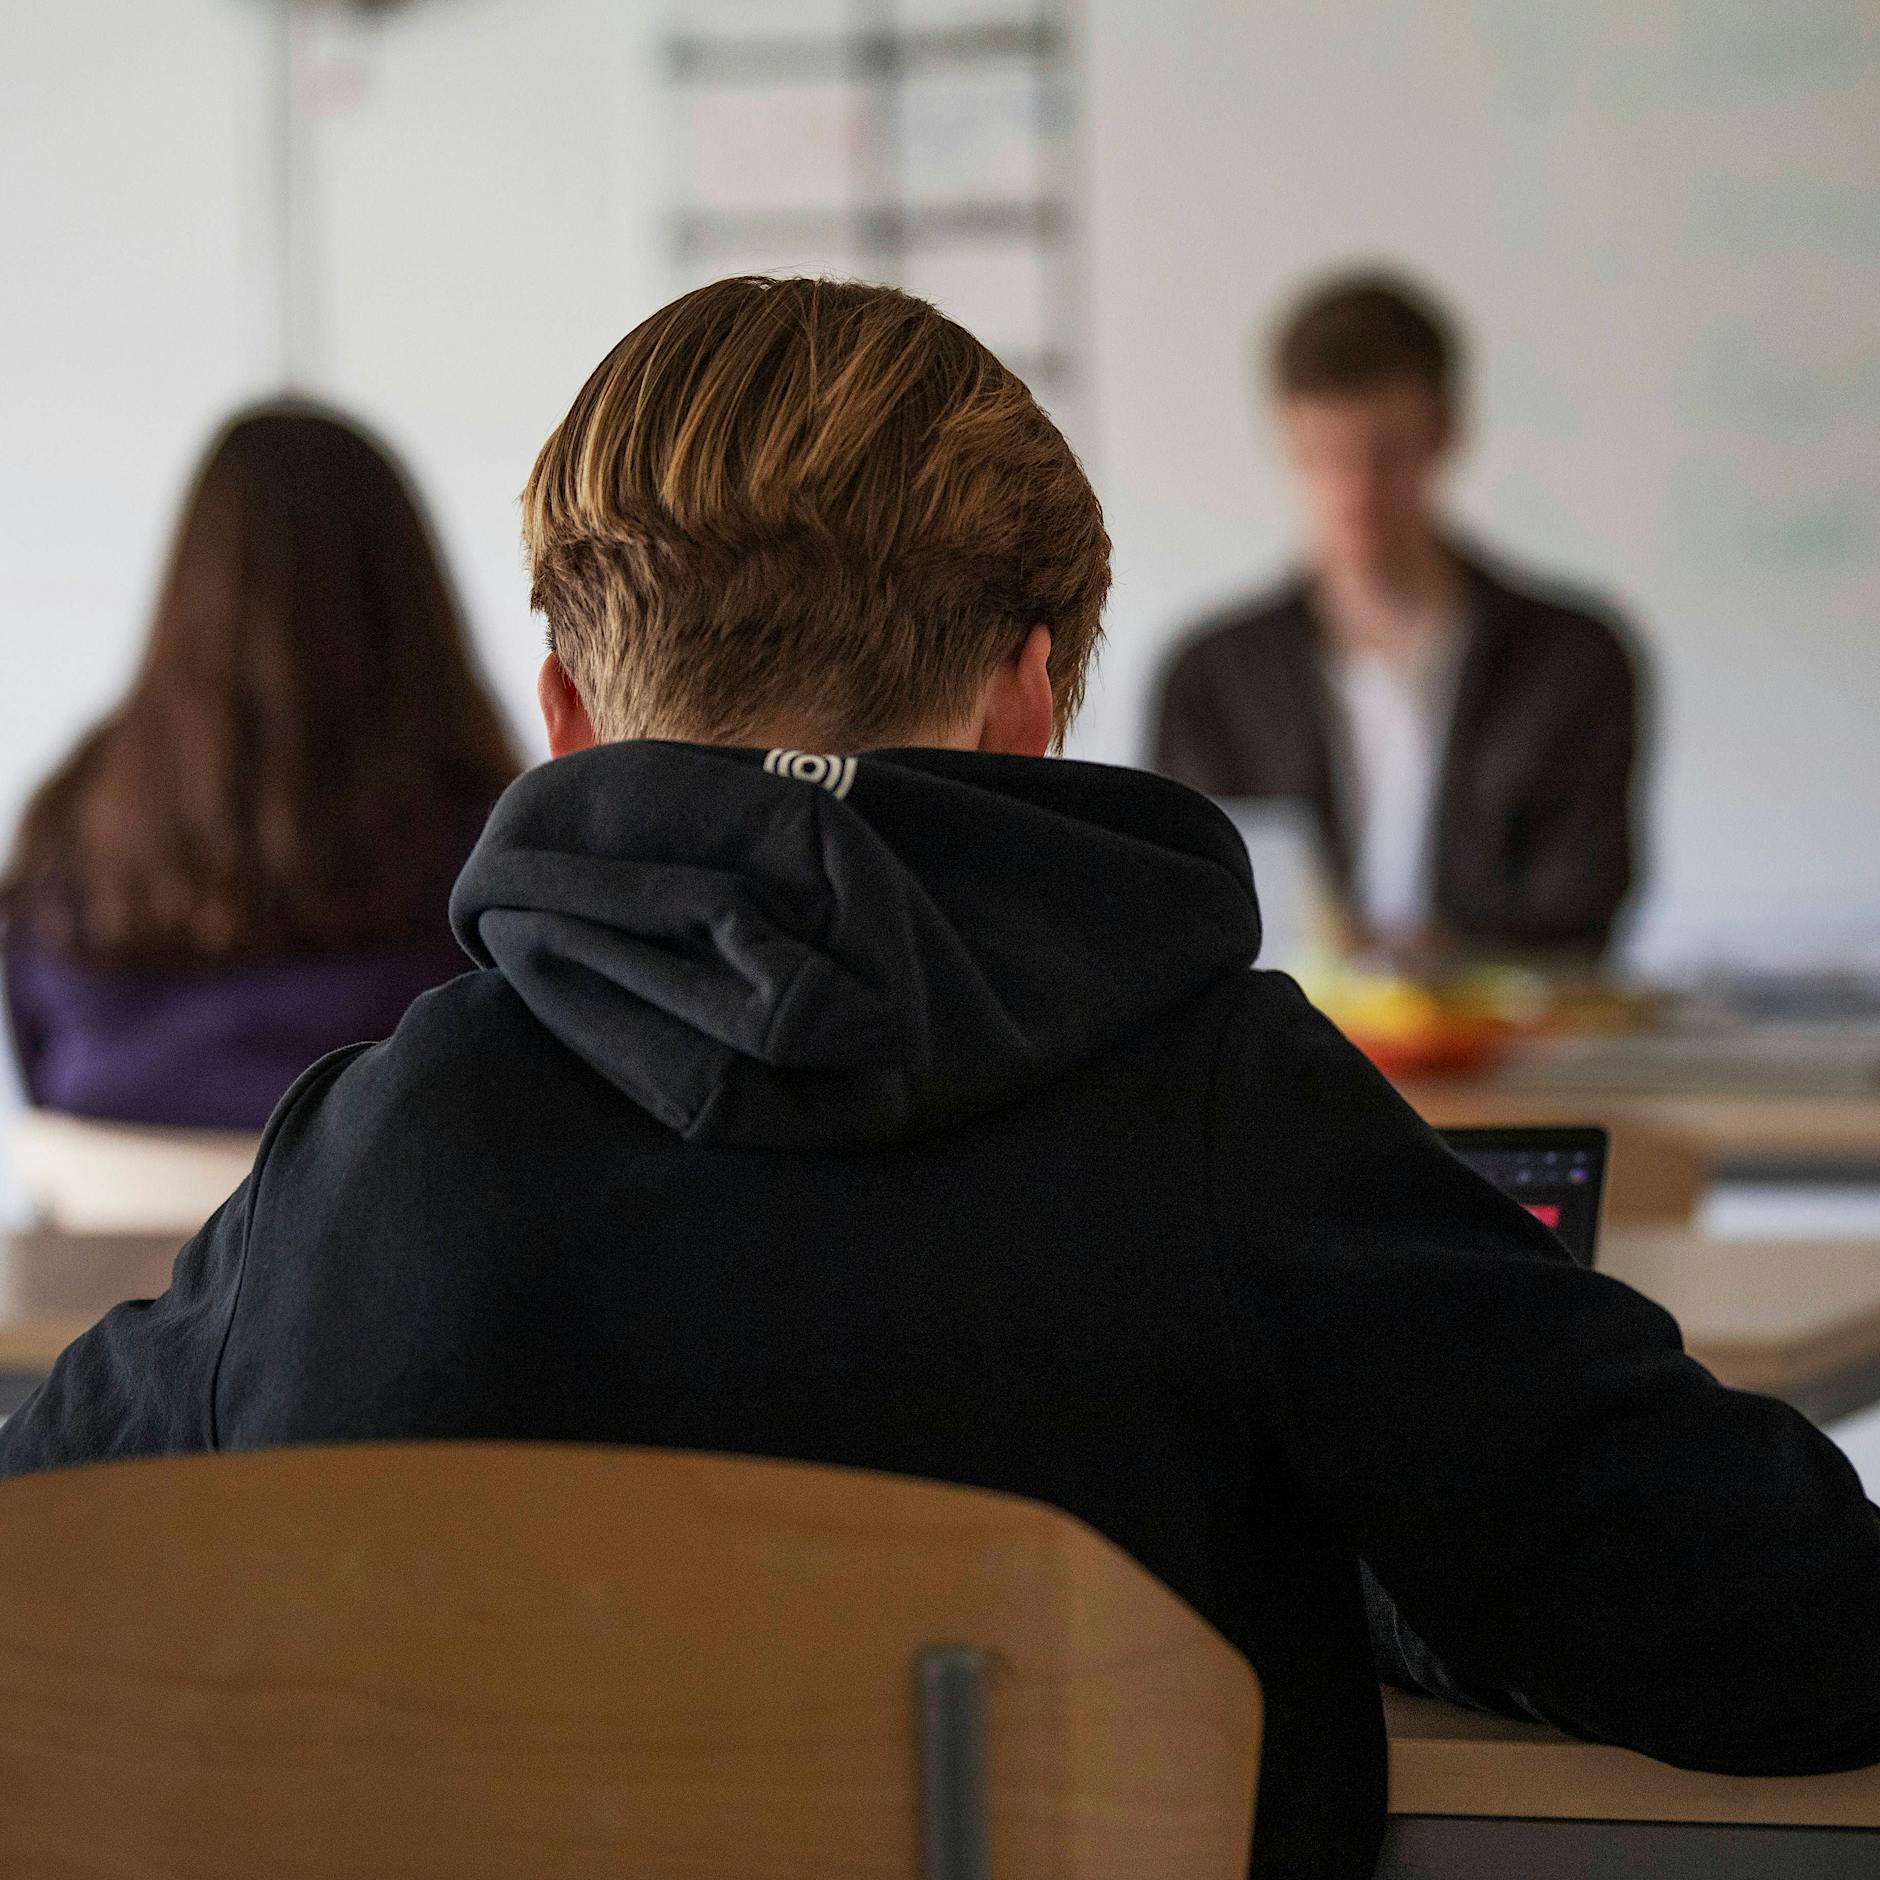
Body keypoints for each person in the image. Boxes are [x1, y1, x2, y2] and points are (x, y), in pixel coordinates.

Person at [2, 279, 1876, 1880]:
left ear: (564, 718)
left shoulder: (362, 1153)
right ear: (1026, 703)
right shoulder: (1228, 1111)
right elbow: (1795, 1627)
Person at [1, 403, 520, 1131]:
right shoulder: (486, 836)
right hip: (385, 1201)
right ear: (408, 597)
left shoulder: (70, 816)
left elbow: (39, 1077)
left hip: (105, 1207)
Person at [1153, 272, 1644, 963]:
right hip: (1281, 1032)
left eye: (1385, 455)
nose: (1356, 491)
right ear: (1287, 441)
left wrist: (1429, 967)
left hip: (1508, 1035)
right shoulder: (1210, 679)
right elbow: (1186, 912)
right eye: (1326, 456)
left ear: (1444, 433)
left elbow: (1580, 916)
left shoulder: (1574, 663)